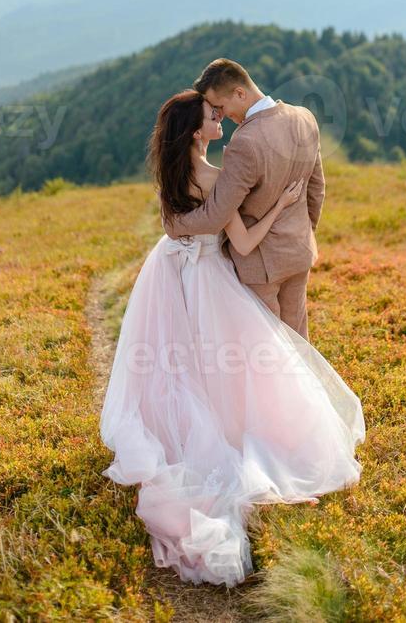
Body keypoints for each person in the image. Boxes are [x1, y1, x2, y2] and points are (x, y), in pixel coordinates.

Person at [100, 85, 365, 588]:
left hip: (169, 272)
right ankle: (239, 444)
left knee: (177, 362)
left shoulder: (172, 174)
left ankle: (178, 433)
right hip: (208, 278)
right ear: (197, 130)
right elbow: (241, 240)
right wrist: (277, 206)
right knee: (234, 364)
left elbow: (176, 227)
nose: (219, 118)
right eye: (212, 115)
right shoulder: (216, 177)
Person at [163, 59, 325, 341]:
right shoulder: (304, 117)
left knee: (268, 349)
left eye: (221, 108)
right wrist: (304, 231)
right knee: (298, 341)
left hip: (260, 264)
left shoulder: (244, 141)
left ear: (240, 93)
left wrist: (175, 224)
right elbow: (316, 188)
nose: (221, 116)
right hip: (299, 251)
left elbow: (216, 215)